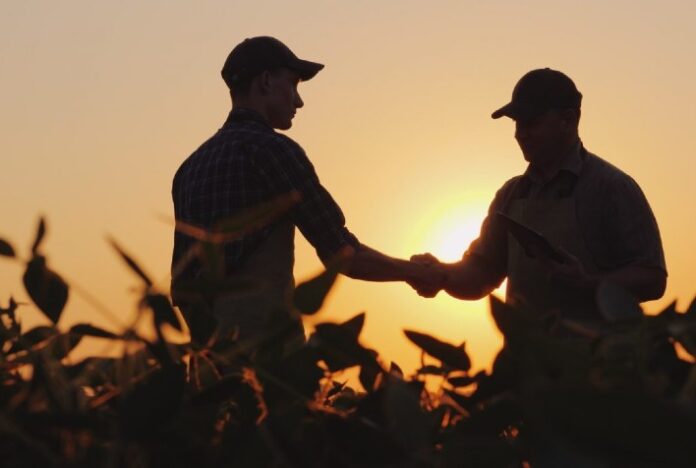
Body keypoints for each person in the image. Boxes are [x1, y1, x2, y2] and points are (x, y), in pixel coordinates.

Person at [171, 36, 438, 346]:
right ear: (267, 81)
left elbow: (182, 289)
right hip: (268, 366)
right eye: (294, 85)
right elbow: (343, 254)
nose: (299, 101)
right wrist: (416, 272)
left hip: (208, 373)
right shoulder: (274, 151)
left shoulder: (188, 170)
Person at [411, 68, 666, 323]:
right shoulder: (510, 196)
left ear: (569, 119)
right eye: (517, 124)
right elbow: (481, 276)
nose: (520, 134)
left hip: (596, 361)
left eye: (531, 122)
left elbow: (653, 280)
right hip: (525, 361)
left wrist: (589, 283)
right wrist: (442, 275)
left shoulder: (612, 188)